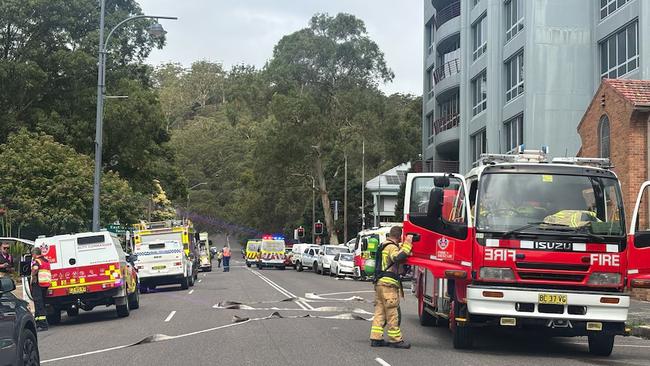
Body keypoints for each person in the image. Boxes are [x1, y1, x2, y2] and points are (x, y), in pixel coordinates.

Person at [369, 226, 413, 349]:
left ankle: (376, 338)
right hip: (388, 285)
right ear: (399, 237)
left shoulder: (383, 244)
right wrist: (408, 244)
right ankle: (395, 340)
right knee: (392, 313)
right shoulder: (391, 247)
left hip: (379, 284)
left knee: (380, 312)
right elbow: (397, 257)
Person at [31, 247, 51, 331]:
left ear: (35, 254)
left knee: (39, 305)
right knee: (41, 304)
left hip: (38, 284)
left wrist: (32, 275)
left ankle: (43, 325)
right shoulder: (46, 260)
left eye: (32, 254)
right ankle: (38, 323)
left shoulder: (37, 261)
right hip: (45, 284)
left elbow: (35, 269)